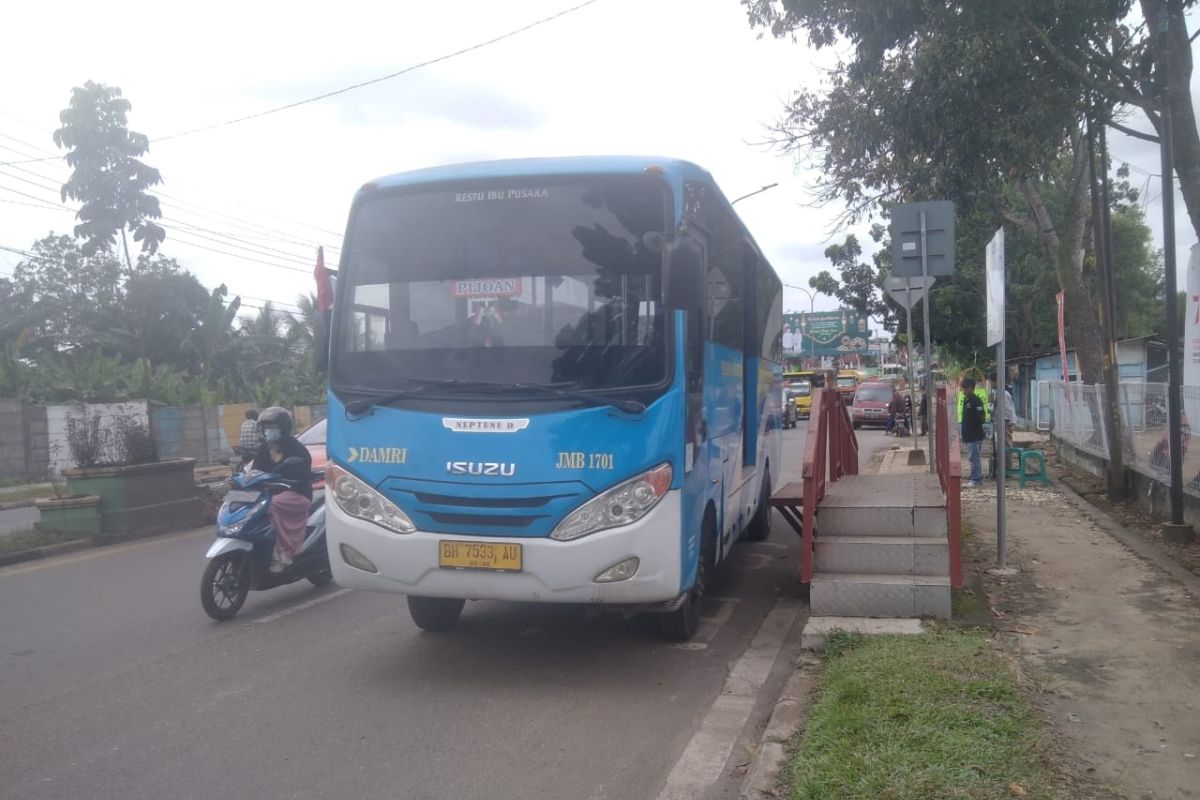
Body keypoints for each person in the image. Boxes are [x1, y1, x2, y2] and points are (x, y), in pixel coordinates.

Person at [250, 407, 313, 572]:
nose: (269, 431)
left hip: (297, 494)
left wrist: (285, 482)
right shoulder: (264, 449)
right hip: (270, 493)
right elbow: (255, 470)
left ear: (283, 428)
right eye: (266, 427)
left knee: (272, 505)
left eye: (273, 427)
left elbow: (301, 474)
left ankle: (285, 551)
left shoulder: (297, 449)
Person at [961, 378, 987, 487]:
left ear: (971, 388)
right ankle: (976, 478)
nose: (964, 391)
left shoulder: (976, 401)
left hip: (975, 435)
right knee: (972, 457)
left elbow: (981, 418)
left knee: (974, 457)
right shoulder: (967, 400)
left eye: (966, 389)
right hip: (969, 435)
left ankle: (976, 479)